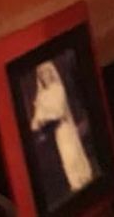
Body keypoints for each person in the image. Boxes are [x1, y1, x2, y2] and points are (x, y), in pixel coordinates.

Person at [31, 61, 95, 193]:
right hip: (52, 132)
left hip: (64, 128)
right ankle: (74, 182)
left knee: (71, 153)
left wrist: (44, 117)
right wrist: (39, 119)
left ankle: (82, 178)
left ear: (51, 73)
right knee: (64, 157)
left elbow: (58, 112)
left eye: (46, 73)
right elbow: (36, 121)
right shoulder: (41, 95)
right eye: (41, 74)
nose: (45, 76)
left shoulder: (58, 89)